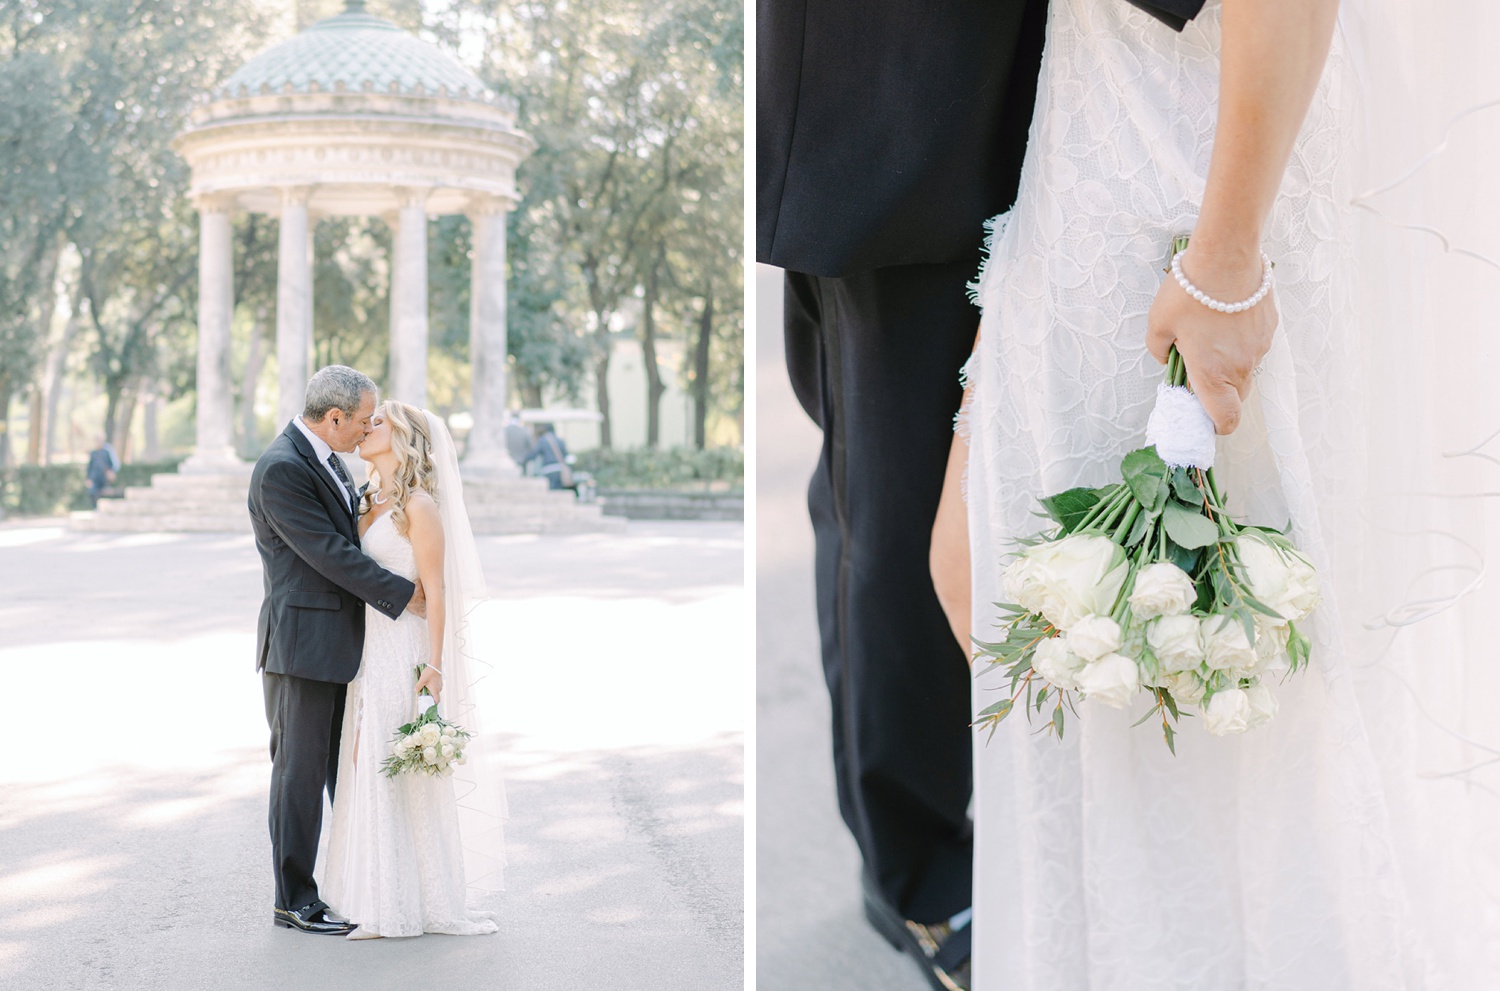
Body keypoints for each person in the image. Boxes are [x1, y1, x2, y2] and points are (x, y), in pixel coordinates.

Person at [930, 1, 1500, 986]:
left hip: (1192, 183)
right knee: (1010, 597)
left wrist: (1226, 261)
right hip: (1091, 149)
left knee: (1240, 691)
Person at [247, 365, 426, 937]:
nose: (369, 427)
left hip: (344, 645)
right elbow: (326, 552)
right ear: (334, 418)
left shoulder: (329, 461)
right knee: (298, 774)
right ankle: (293, 899)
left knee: (339, 773)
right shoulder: (281, 468)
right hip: (301, 647)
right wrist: (404, 594)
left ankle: (361, 884)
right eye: (364, 419)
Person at [322, 399, 505, 939]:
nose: (364, 426)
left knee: (398, 771)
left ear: (403, 440)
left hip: (402, 650)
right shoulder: (365, 501)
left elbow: (438, 589)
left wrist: (436, 664)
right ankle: (383, 899)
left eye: (376, 423)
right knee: (368, 765)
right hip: (366, 652)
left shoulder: (419, 506)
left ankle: (406, 909)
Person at [524, 422, 572, 491]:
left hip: (549, 469)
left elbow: (534, 454)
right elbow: (566, 455)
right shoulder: (561, 441)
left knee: (551, 491)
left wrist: (525, 459)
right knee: (560, 491)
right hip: (560, 469)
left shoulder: (542, 441)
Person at [85, 435, 120, 508]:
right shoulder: (93, 453)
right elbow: (90, 467)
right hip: (94, 478)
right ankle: (95, 508)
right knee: (92, 492)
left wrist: (111, 473)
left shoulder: (107, 452)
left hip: (104, 478)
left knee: (106, 494)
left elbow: (112, 465)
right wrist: (88, 478)